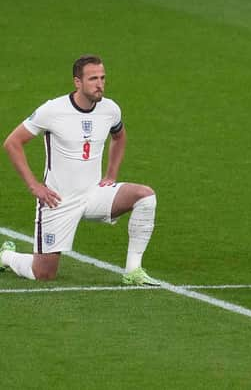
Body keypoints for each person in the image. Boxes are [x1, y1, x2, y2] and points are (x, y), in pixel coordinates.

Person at [0, 54, 160, 285]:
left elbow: (119, 137)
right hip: (58, 201)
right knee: (43, 273)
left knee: (145, 196)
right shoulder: (52, 110)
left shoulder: (110, 109)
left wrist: (111, 175)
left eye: (103, 78)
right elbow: (12, 143)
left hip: (94, 194)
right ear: (78, 82)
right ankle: (6, 256)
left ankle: (133, 271)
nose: (100, 84)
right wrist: (34, 186)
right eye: (93, 78)